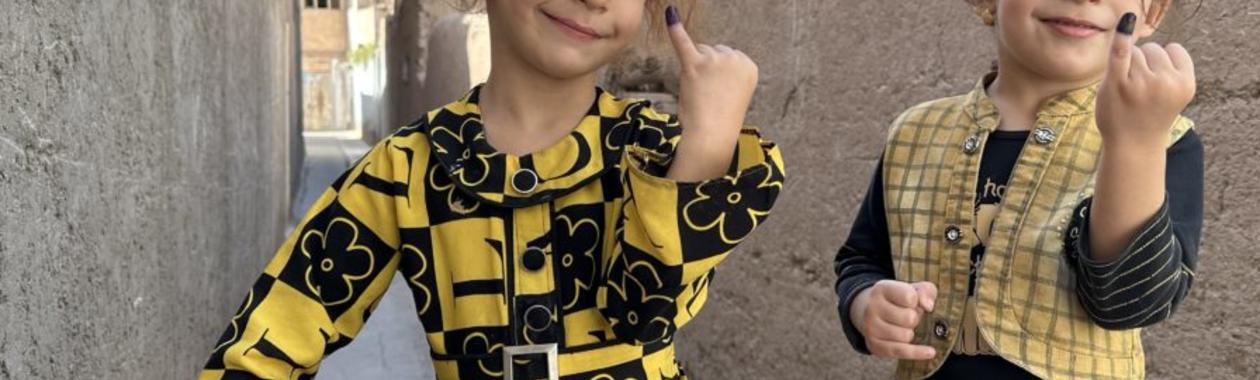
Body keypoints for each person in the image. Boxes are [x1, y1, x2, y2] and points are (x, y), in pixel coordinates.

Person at [200, 1, 784, 379]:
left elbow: (644, 313)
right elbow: (268, 338)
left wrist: (707, 147)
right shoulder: (407, 168)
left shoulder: (657, 155)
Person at [833, 0, 1202, 378]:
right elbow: (862, 260)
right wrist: (865, 307)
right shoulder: (914, 132)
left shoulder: (1164, 141)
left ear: (1153, 12)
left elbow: (1130, 304)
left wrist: (1134, 145)